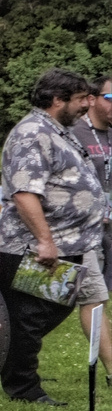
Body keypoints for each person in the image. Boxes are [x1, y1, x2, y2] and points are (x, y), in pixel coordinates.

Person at [0, 68, 106, 405]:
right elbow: (25, 192)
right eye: (80, 99)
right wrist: (45, 240)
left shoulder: (58, 130)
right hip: (36, 246)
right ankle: (23, 388)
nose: (87, 105)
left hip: (71, 242)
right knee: (27, 319)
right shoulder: (32, 133)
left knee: (53, 310)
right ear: (57, 100)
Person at [71, 76, 112, 363]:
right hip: (84, 227)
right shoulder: (74, 133)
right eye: (110, 97)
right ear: (92, 99)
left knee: (97, 295)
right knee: (91, 296)